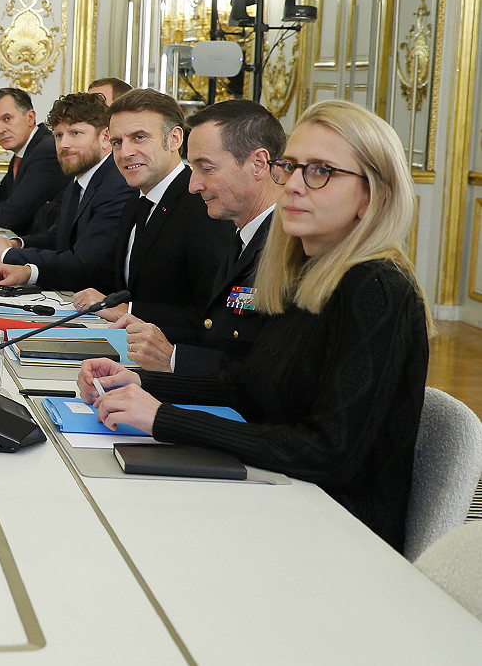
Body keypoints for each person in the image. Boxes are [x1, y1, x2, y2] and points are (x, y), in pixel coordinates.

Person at [81, 99, 429, 550]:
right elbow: (250, 386)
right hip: (282, 492)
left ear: (371, 196)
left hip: (336, 529)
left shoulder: (375, 287)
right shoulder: (308, 267)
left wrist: (163, 418)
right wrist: (142, 382)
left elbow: (327, 453)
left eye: (320, 171)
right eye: (292, 166)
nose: (294, 185)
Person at [111, 99, 286, 373]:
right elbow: (216, 337)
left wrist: (173, 359)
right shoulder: (243, 237)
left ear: (259, 164)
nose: (193, 185)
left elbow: (267, 374)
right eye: (193, 169)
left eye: (206, 168)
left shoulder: (287, 249)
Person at [64, 90, 236, 333]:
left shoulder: (202, 205)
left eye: (139, 137)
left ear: (175, 139)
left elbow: (210, 316)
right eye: (117, 142)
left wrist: (129, 310)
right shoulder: (136, 201)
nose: (125, 152)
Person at [0, 93, 136, 291]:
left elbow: (86, 262)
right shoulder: (79, 181)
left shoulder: (118, 184)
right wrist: (16, 244)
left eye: (75, 133)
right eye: (58, 135)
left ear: (105, 137)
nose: (63, 144)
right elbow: (58, 237)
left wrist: (7, 255)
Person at [0, 87, 71, 233]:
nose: (0, 129)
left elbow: (9, 217)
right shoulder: (23, 153)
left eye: (7, 119)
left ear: (30, 118)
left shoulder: (46, 151)